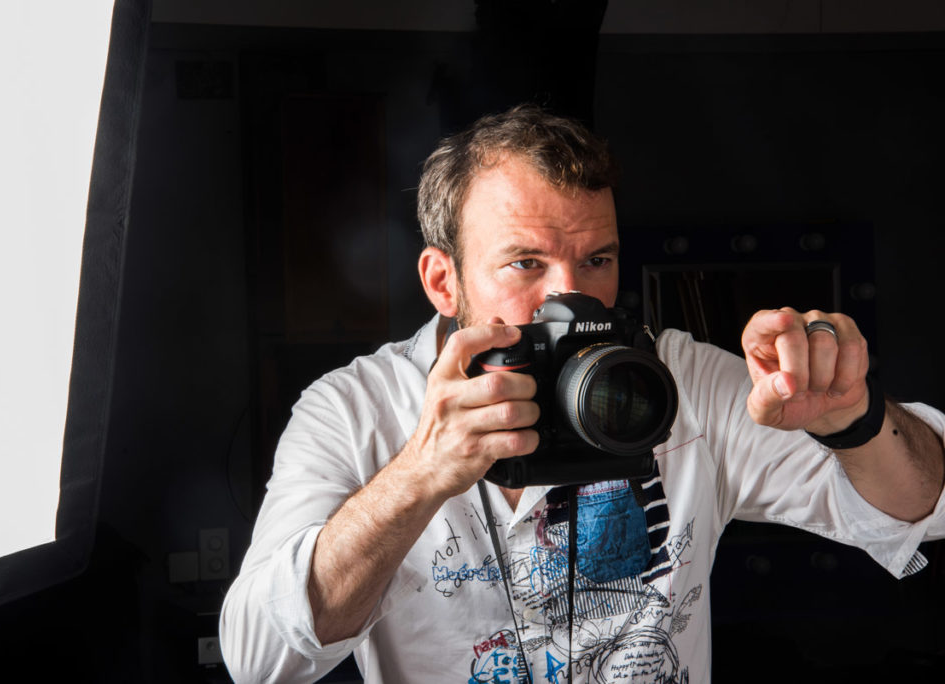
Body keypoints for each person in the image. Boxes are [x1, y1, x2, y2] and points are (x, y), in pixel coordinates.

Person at [219, 104, 945, 683]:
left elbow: (922, 507)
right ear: (443, 281)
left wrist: (855, 418)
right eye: (525, 263)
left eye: (596, 259)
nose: (567, 295)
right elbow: (259, 659)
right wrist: (418, 475)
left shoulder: (679, 381)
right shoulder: (352, 411)